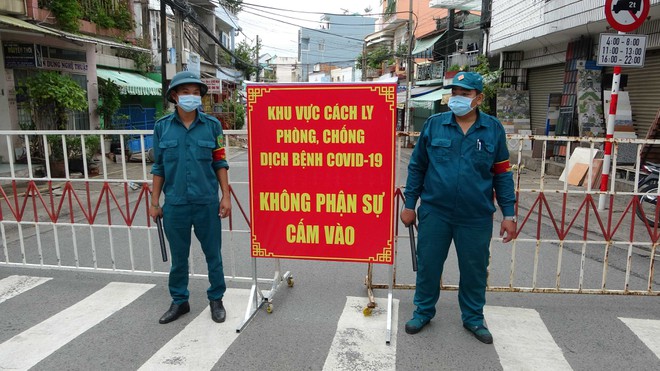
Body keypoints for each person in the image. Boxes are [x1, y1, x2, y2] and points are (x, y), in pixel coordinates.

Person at [400, 72, 516, 344]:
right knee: (429, 265)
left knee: (474, 269)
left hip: (475, 216)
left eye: (465, 94)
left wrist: (508, 214)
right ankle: (423, 311)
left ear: (479, 98)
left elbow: (502, 174)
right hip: (435, 212)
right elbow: (417, 167)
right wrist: (409, 204)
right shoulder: (434, 125)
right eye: (455, 92)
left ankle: (473, 318)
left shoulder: (493, 129)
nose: (458, 98)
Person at [149, 71, 232, 324]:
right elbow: (159, 167)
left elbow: (220, 161)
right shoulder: (162, 127)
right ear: (174, 96)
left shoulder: (212, 126)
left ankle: (216, 299)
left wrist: (225, 196)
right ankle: (179, 301)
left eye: (196, 93)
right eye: (185, 92)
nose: (191, 97)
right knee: (179, 257)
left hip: (206, 201)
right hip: (175, 204)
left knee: (213, 255)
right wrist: (154, 203)